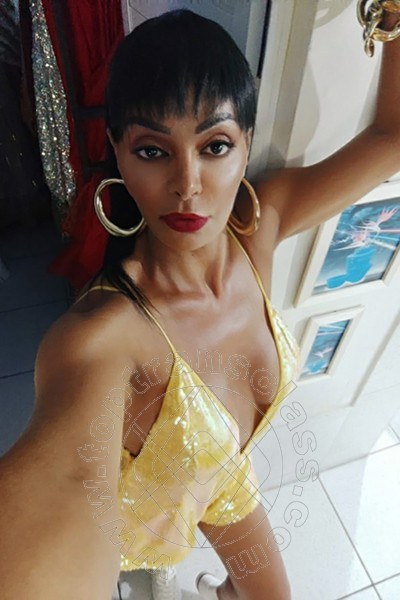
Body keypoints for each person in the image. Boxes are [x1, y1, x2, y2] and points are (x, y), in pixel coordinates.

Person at [1, 5, 399, 600]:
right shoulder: (102, 339)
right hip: (145, 517)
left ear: (246, 144)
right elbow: (64, 481)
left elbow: (392, 139)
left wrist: (392, 14)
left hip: (223, 478)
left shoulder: (260, 226)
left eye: (214, 145)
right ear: (117, 151)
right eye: (153, 151)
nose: (187, 185)